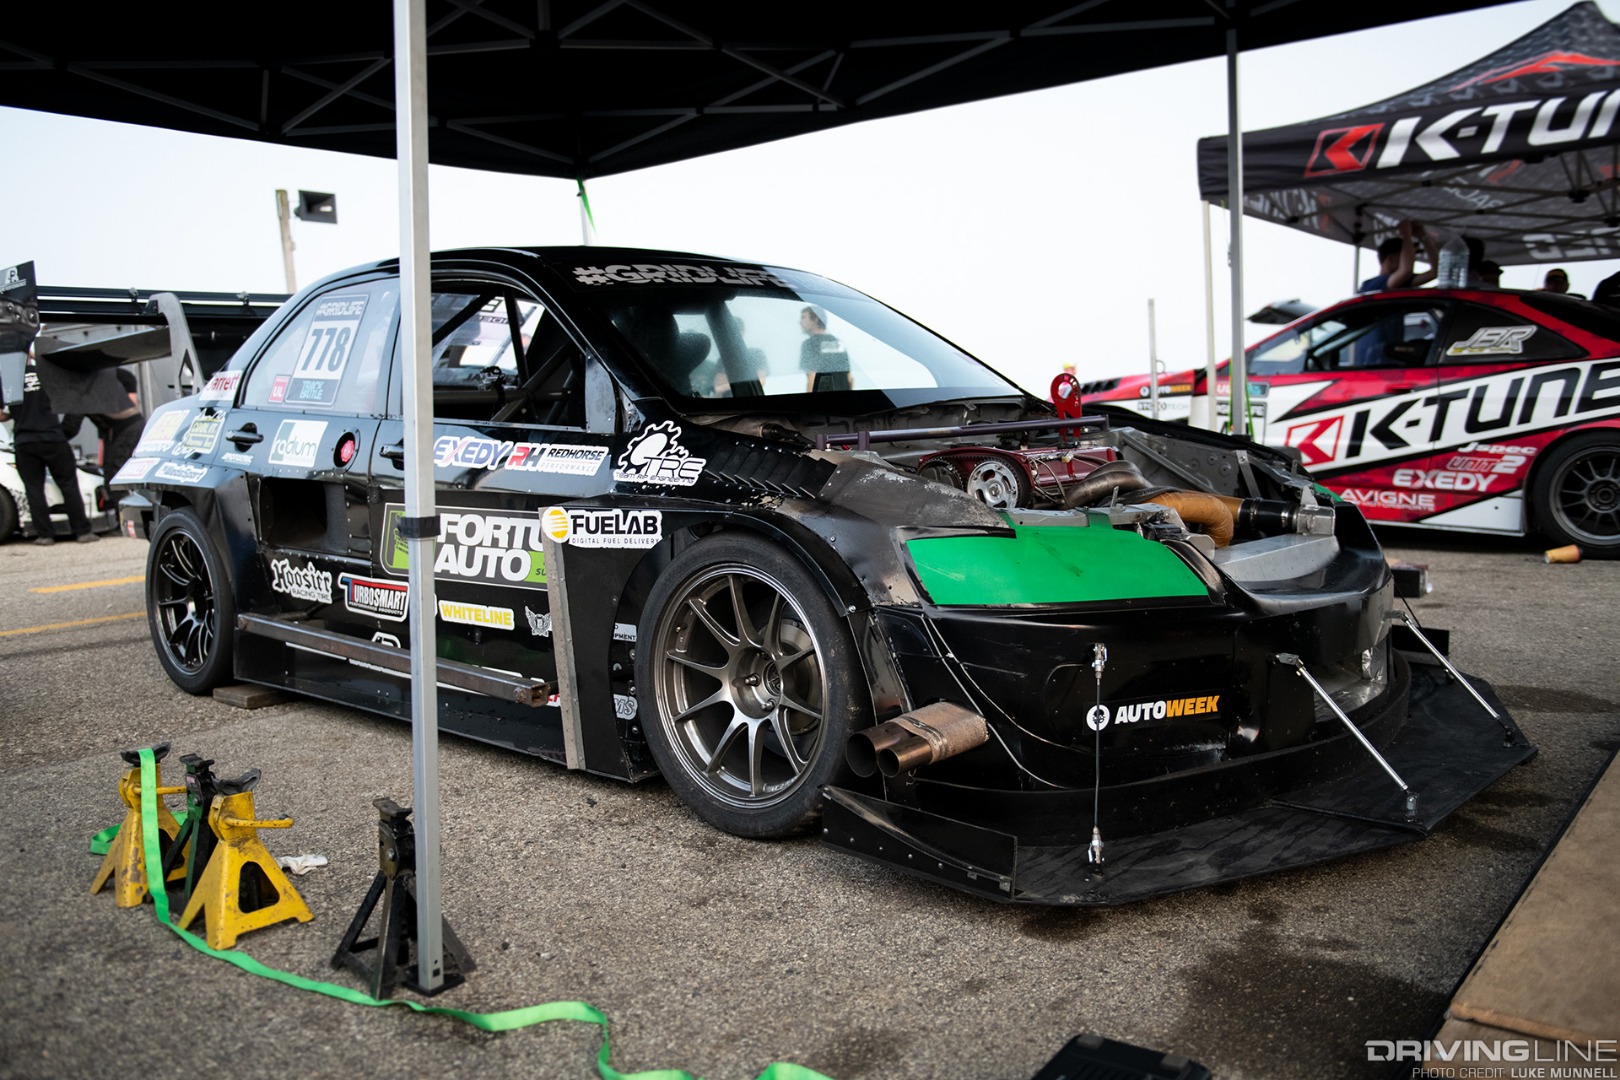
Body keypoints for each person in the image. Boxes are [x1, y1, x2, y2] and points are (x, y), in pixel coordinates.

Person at [0, 347, 98, 544]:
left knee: (33, 488)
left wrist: (19, 414)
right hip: (53, 437)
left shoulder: (8, 380)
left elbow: (1, 414)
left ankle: (45, 535)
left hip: (25, 441)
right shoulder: (46, 374)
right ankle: (82, 532)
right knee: (68, 484)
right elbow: (71, 389)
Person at [1359, 219, 1436, 294]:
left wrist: (1423, 236)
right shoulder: (1370, 285)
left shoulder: (1402, 281)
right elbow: (1406, 270)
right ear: (1390, 259)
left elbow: (1435, 272)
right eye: (1405, 257)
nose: (1413, 260)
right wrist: (1405, 234)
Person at [799, 305, 851, 392]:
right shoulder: (837, 342)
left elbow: (812, 378)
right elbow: (849, 378)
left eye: (803, 317)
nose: (800, 322)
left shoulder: (809, 344)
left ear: (815, 319)